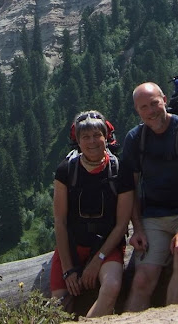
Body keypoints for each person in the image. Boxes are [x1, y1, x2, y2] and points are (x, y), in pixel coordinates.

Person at [121, 82, 178, 311]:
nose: (151, 111)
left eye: (154, 103)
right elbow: (128, 188)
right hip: (153, 218)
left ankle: (173, 317)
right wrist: (137, 228)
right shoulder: (135, 139)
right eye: (144, 107)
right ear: (137, 111)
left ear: (164, 100)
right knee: (142, 279)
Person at [51, 110, 133, 317]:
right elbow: (60, 222)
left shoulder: (120, 171)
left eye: (97, 135)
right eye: (85, 137)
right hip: (72, 246)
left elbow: (122, 224)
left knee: (111, 287)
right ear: (77, 141)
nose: (92, 141)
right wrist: (69, 270)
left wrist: (98, 260)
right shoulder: (66, 171)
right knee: (58, 306)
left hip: (107, 245)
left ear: (107, 137)